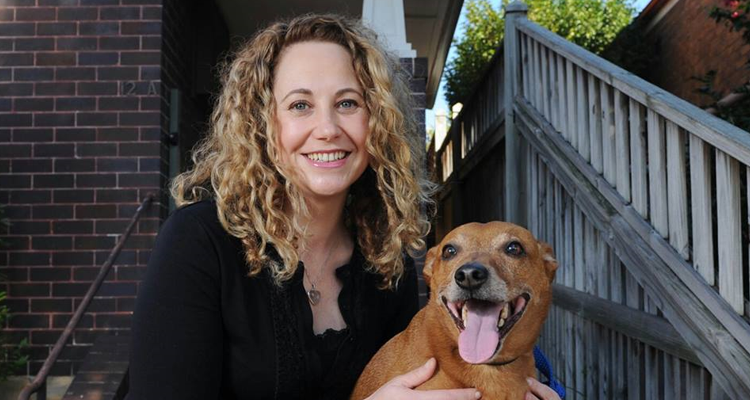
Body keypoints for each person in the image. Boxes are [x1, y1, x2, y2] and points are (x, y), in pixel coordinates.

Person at [126, 13, 560, 400]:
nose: (328, 128)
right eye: (300, 105)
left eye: (347, 103)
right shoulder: (199, 241)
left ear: (377, 121)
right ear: (262, 125)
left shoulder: (384, 266)